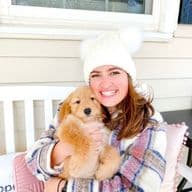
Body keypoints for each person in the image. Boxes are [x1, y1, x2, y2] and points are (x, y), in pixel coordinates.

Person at [26, 28, 167, 192]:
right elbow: (32, 160)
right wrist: (67, 147)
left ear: (128, 77)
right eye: (96, 75)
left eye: (114, 72)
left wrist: (62, 187)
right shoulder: (71, 108)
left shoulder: (148, 122)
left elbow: (139, 188)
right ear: (89, 81)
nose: (105, 83)